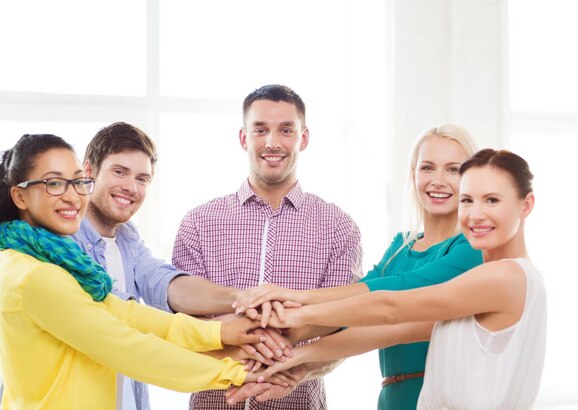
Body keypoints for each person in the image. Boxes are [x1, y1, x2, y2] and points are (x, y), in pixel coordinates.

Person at [0, 134, 275, 409]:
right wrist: (232, 370)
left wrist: (220, 331)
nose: (71, 196)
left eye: (77, 182)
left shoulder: (64, 261)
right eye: (54, 183)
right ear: (21, 197)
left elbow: (129, 311)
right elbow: (124, 344)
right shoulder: (37, 274)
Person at [256, 149, 547, 410]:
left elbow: (388, 306)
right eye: (468, 200)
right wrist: (297, 360)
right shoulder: (504, 281)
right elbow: (396, 331)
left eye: (492, 200)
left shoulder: (504, 276)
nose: (475, 214)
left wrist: (296, 309)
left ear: (526, 205)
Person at [230, 123, 484, 409]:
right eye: (427, 168)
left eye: (453, 169)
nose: (438, 180)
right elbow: (351, 310)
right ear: (413, 175)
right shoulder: (401, 247)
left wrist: (294, 299)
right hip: (392, 397)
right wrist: (289, 357)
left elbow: (391, 298)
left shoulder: (472, 250)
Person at [72, 122, 291, 409]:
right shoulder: (63, 243)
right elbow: (121, 322)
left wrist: (241, 299)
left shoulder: (127, 239)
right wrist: (222, 337)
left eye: (142, 179)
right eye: (119, 172)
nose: (130, 187)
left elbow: (166, 284)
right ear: (89, 171)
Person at [172, 84, 364, 409]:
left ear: (303, 138)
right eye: (261, 130)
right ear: (244, 138)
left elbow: (344, 326)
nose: (272, 143)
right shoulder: (198, 224)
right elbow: (178, 324)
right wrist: (237, 340)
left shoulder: (339, 228)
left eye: (286, 130)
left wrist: (296, 367)